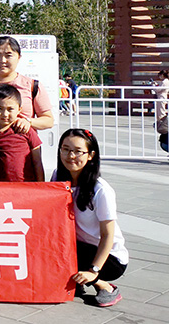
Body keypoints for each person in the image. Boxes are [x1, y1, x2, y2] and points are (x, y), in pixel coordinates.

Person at [53, 128, 128, 307]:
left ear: (91, 155)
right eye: (65, 149)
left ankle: (104, 286)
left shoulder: (100, 190)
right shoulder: (58, 177)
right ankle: (75, 280)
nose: (71, 156)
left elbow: (108, 235)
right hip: (77, 247)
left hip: (108, 258)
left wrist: (94, 271)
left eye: (78, 151)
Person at [0, 84, 44, 182]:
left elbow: (37, 161)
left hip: (25, 187)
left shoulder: (26, 130)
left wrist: (41, 185)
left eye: (10, 109)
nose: (5, 114)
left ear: (19, 109)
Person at [154, 69, 169, 152]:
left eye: (160, 75)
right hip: (161, 98)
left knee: (161, 112)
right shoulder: (165, 81)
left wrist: (154, 87)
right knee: (159, 111)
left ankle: (162, 123)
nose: (159, 76)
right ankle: (161, 123)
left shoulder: (165, 81)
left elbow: (159, 90)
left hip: (162, 98)